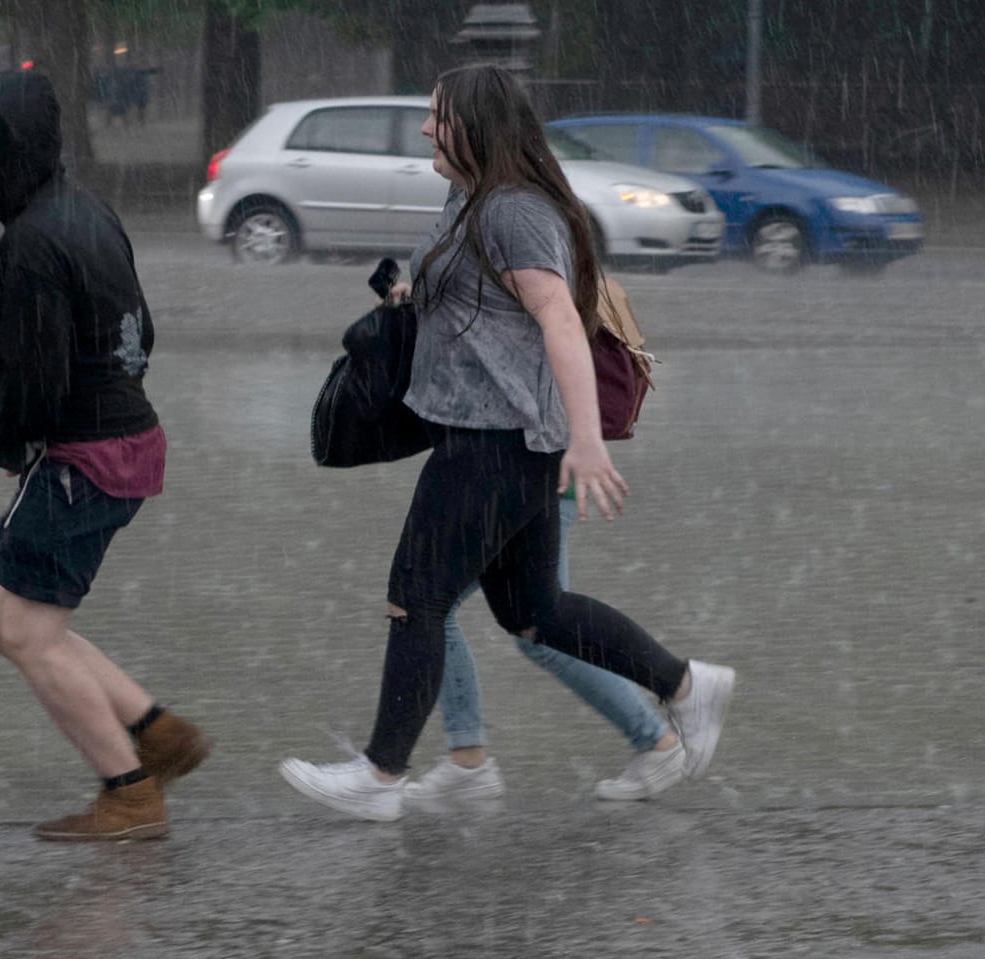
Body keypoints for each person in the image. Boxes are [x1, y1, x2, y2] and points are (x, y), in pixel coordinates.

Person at [279, 63, 734, 822]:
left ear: (475, 126)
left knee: (415, 599)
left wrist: (585, 442)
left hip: (496, 441)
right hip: (498, 440)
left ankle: (381, 774)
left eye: (437, 116)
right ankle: (686, 685)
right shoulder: (470, 200)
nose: (424, 128)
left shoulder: (513, 211)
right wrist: (409, 297)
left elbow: (558, 319)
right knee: (535, 611)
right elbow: (492, 310)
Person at [0, 70, 209, 841]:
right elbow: (139, 333)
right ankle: (157, 731)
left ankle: (129, 793)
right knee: (4, 615)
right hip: (120, 443)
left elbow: (37, 382)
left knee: (24, 629)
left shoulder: (30, 244)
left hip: (84, 460)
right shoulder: (85, 210)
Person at [408, 488, 686, 805]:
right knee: (538, 631)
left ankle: (466, 760)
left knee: (431, 606)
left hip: (517, 476)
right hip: (520, 476)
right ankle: (658, 734)